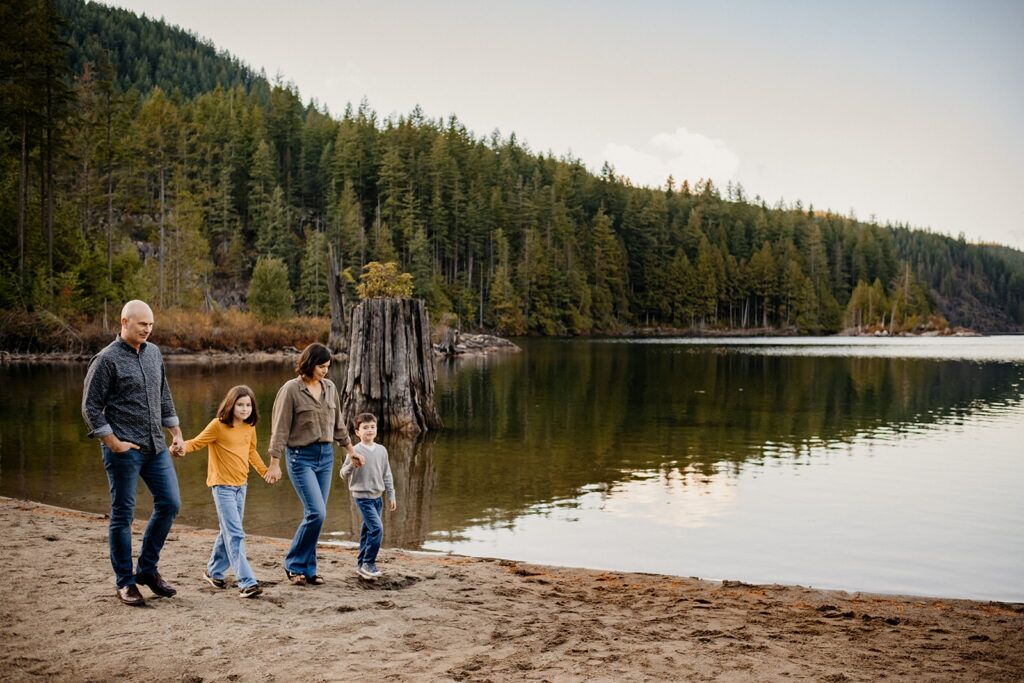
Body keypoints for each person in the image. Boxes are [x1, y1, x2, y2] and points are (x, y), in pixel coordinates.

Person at [81, 300, 185, 606]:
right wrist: (111, 441)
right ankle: (125, 582)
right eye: (143, 324)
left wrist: (176, 433)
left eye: (151, 325)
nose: (148, 330)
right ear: (124, 322)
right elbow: (90, 407)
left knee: (170, 503)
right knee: (123, 516)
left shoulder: (153, 353)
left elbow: (163, 395)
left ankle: (147, 570)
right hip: (124, 451)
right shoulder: (106, 359)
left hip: (156, 446)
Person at [264, 343, 362, 586]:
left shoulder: (329, 387)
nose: (325, 371)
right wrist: (274, 462)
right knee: (317, 512)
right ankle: (294, 564)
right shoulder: (291, 390)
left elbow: (338, 423)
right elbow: (280, 429)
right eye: (321, 366)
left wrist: (350, 451)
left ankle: (308, 569)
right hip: (300, 458)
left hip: (325, 457)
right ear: (309, 364)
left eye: (328, 366)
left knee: (316, 515)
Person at [183, 385, 275, 598]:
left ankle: (213, 571)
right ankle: (247, 582)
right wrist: (180, 447)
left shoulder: (249, 428)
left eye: (248, 405)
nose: (245, 409)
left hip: (241, 486)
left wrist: (264, 472)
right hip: (221, 486)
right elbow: (197, 443)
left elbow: (251, 452)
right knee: (236, 534)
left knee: (228, 531)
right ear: (231, 405)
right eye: (240, 405)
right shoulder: (218, 426)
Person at [340, 412, 396, 579]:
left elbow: (387, 474)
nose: (370, 430)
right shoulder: (355, 450)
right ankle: (369, 563)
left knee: (367, 530)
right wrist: (352, 464)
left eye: (372, 427)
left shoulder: (382, 450)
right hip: (362, 497)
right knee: (377, 529)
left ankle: (361, 564)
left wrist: (391, 495)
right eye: (365, 428)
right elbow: (343, 474)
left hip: (378, 498)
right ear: (357, 432)